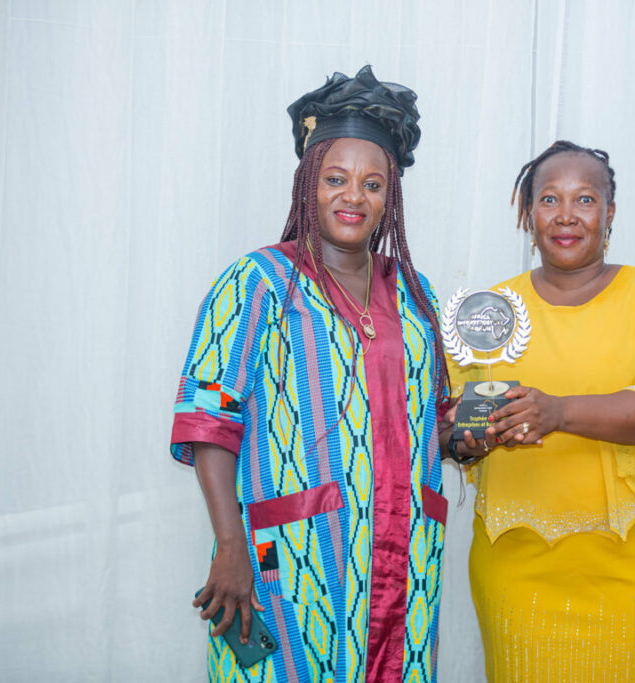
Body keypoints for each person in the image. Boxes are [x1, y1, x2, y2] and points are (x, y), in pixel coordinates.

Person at [170, 66, 450, 683]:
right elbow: (210, 420)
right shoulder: (260, 282)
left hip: (405, 562)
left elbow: (427, 423)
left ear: (391, 199)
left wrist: (481, 428)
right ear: (308, 184)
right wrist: (230, 546)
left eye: (373, 184)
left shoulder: (415, 294)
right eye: (336, 179)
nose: (354, 197)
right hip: (294, 558)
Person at [444, 141, 635, 681]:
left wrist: (557, 412)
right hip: (517, 567)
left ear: (610, 212)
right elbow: (450, 427)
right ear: (527, 213)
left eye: (585, 199)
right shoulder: (489, 312)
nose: (566, 215)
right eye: (549, 199)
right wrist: (466, 440)